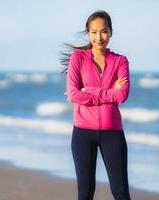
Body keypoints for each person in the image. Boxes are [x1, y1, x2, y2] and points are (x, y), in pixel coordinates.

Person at [60, 10, 131, 200]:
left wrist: (89, 91)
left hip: (112, 133)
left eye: (104, 31)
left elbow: (122, 95)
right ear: (88, 33)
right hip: (82, 133)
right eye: (94, 32)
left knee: (121, 193)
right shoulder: (78, 58)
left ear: (111, 32)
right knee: (85, 194)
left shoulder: (120, 61)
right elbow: (74, 94)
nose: (99, 37)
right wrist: (108, 92)